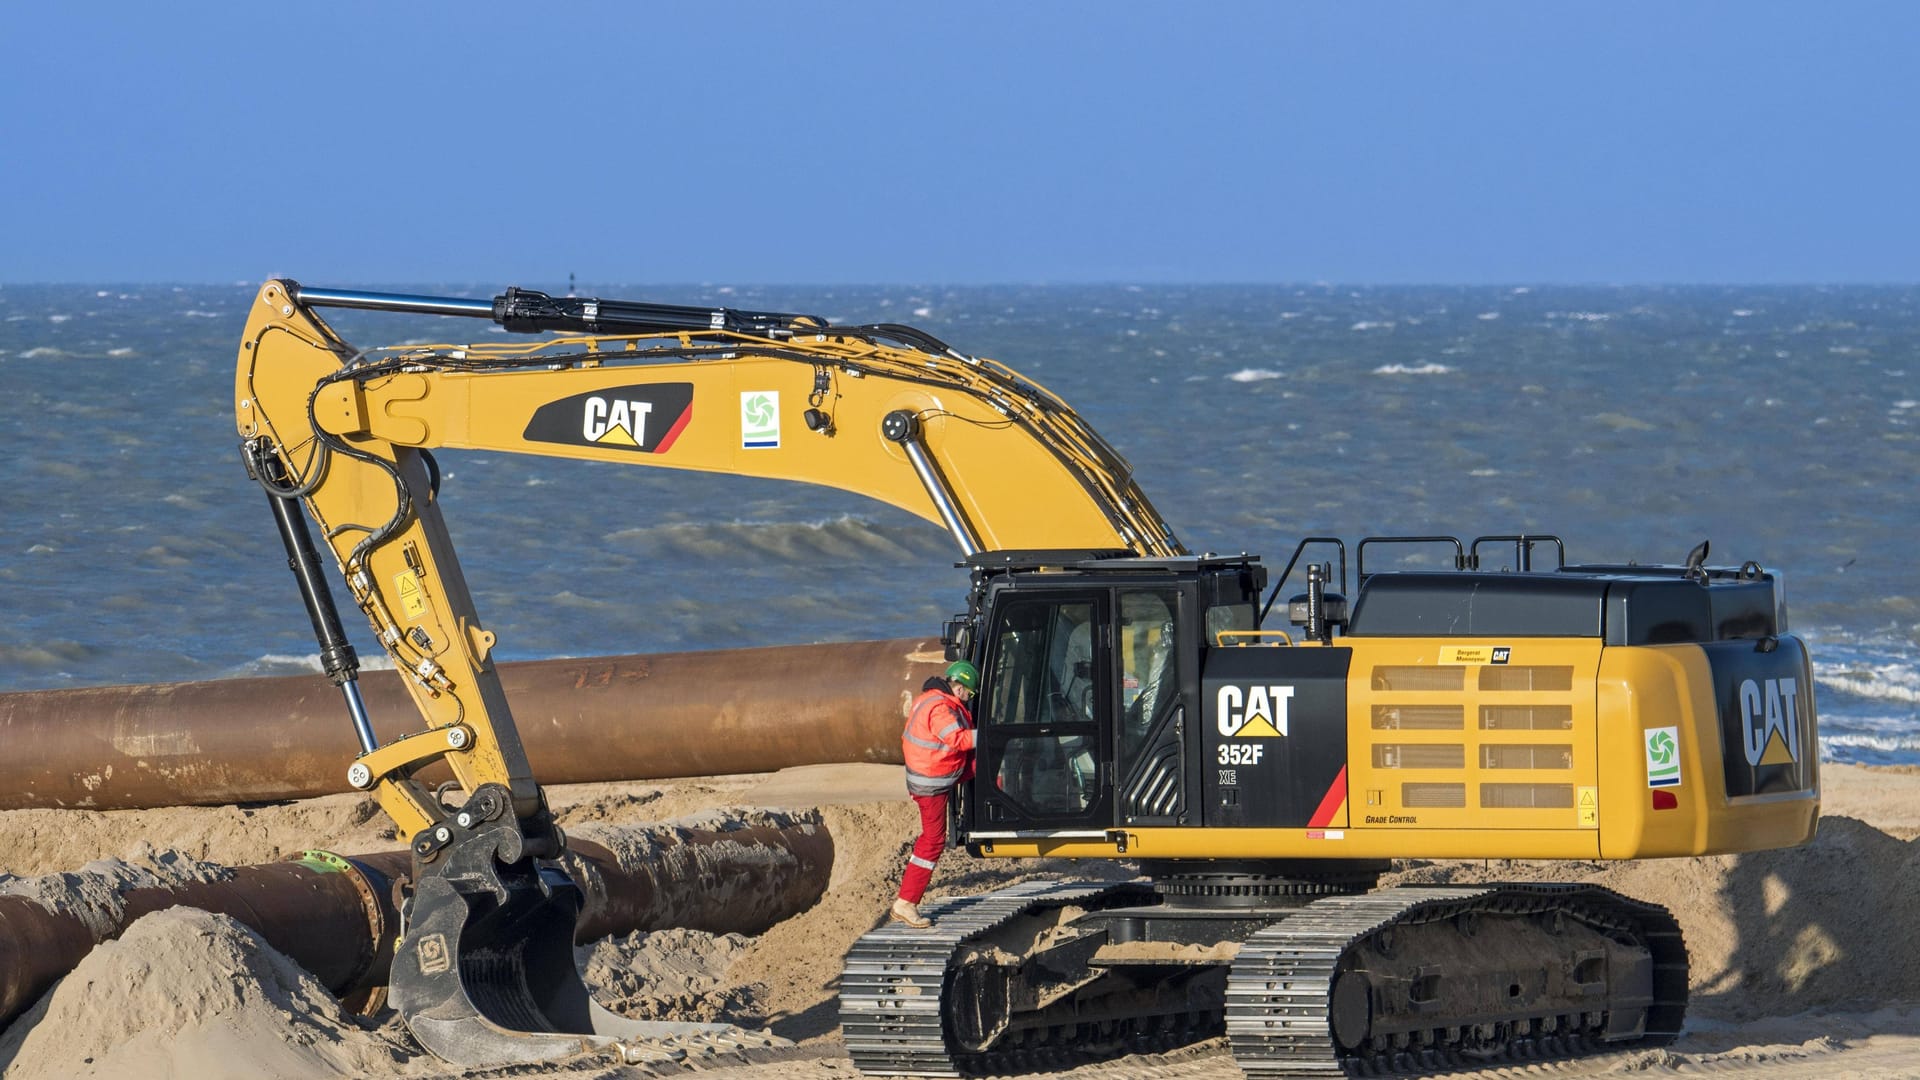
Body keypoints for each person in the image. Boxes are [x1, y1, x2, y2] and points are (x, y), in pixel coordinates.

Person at [890, 660, 979, 928]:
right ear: (960, 687)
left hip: (934, 774)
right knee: (932, 841)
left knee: (980, 768)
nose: (969, 699)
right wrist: (990, 736)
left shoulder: (929, 699)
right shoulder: (941, 707)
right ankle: (906, 902)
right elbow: (958, 740)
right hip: (932, 782)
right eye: (970, 694)